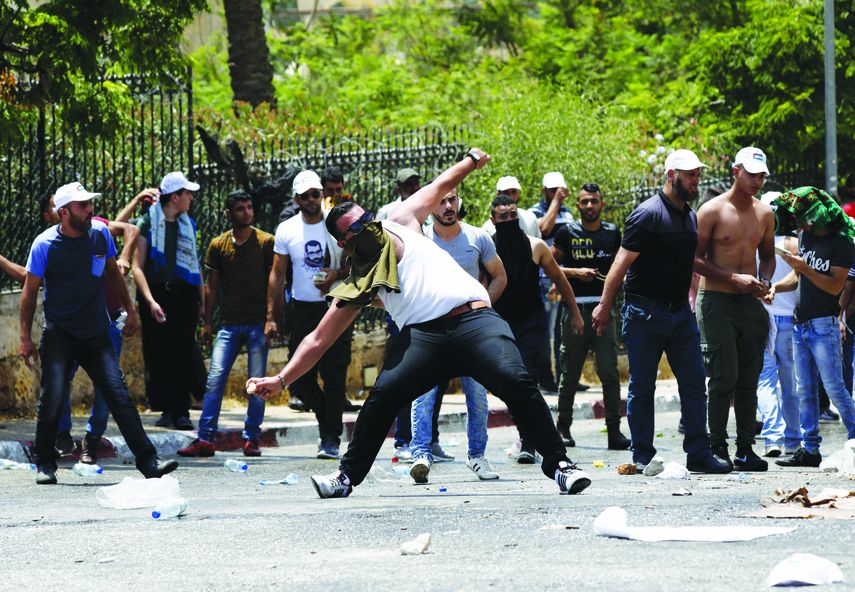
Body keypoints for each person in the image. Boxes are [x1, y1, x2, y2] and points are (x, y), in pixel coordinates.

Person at [248, 148, 591, 499]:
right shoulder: (360, 280)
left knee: (517, 380)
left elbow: (443, 183)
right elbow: (318, 339)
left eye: (367, 220)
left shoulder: (402, 219)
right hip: (424, 338)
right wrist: (280, 379)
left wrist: (472, 160)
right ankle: (346, 477)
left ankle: (560, 465)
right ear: (344, 243)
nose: (369, 230)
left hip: (473, 318)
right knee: (382, 396)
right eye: (356, 230)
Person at [19, 182, 178, 484]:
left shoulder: (100, 235)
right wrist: (25, 338)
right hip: (60, 335)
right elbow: (28, 294)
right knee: (52, 397)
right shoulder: (44, 245)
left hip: (96, 333)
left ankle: (148, 461)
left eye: (90, 203)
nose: (90, 209)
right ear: (64, 212)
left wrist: (130, 310)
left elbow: (111, 273)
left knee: (118, 395)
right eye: (82, 205)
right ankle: (45, 463)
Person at [592, 149, 732, 474]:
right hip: (645, 314)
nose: (696, 180)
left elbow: (690, 262)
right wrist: (604, 304)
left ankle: (698, 453)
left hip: (681, 315)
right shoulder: (647, 214)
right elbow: (620, 263)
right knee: (643, 386)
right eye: (690, 175)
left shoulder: (690, 215)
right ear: (672, 175)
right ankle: (642, 455)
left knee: (696, 383)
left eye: (698, 174)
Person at [408, 189, 507, 483]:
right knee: (423, 393)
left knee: (477, 395)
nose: (448, 206)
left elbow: (499, 276)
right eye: (441, 201)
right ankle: (420, 455)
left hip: (471, 328)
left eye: (452, 200)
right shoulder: (421, 240)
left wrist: (482, 309)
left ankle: (477, 457)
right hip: (431, 327)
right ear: (431, 205)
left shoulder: (478, 238)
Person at [693, 147, 775, 471]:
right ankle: (717, 448)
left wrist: (764, 280)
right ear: (735, 171)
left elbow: (767, 256)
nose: (757, 180)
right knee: (723, 376)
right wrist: (731, 278)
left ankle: (745, 449)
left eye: (762, 175)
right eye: (752, 173)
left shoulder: (765, 213)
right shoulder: (711, 210)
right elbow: (694, 258)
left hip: (750, 302)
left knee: (748, 379)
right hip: (717, 301)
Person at [178, 191, 275, 459]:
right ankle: (205, 438)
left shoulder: (266, 242)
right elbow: (212, 287)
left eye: (249, 207)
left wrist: (271, 318)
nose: (247, 212)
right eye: (241, 209)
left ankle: (251, 438)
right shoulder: (218, 245)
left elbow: (274, 283)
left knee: (256, 384)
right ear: (228, 214)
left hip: (257, 322)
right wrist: (207, 322)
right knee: (214, 380)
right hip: (229, 324)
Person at [490, 194, 585, 463]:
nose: (508, 220)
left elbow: (560, 278)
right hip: (501, 324)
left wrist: (575, 313)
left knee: (528, 378)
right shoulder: (489, 248)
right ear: (493, 219)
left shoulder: (536, 247)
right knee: (511, 384)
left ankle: (530, 442)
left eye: (512, 216)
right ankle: (527, 434)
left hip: (532, 322)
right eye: (503, 217)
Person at [267, 170, 351, 459]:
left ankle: (330, 438)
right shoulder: (287, 229)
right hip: (303, 309)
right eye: (305, 196)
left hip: (336, 305)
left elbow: (362, 264)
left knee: (335, 375)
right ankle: (327, 420)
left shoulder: (337, 223)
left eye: (316, 194)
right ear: (297, 199)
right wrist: (272, 317)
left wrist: (336, 274)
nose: (312, 200)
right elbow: (277, 276)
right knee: (299, 377)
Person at [770, 187, 855, 467]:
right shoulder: (805, 236)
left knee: (834, 388)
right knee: (803, 389)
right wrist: (775, 288)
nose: (802, 223)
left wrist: (805, 268)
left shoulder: (841, 242)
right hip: (800, 323)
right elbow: (799, 275)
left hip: (823, 325)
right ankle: (810, 450)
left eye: (805, 217)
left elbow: (834, 285)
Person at [552, 183, 629, 450]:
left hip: (604, 310)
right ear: (578, 205)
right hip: (574, 311)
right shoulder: (566, 232)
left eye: (594, 201)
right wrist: (576, 272)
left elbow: (623, 265)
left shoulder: (612, 233)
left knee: (610, 372)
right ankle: (563, 428)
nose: (589, 206)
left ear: (602, 205)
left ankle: (614, 431)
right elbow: (550, 266)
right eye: (584, 201)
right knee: (570, 373)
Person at [132, 172, 204, 430]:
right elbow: (137, 267)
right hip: (157, 294)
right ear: (175, 197)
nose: (191, 198)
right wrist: (150, 301)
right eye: (187, 193)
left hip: (184, 295)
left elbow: (195, 264)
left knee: (183, 352)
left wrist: (202, 299)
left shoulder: (188, 224)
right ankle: (166, 409)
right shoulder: (148, 223)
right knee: (159, 353)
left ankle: (181, 410)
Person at [755, 192, 801, 457]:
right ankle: (793, 439)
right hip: (790, 321)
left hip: (764, 319)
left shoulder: (756, 244)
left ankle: (772, 437)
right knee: (791, 384)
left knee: (765, 381)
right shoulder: (794, 244)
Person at [529, 172, 576, 393]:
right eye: (551, 190)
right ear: (544, 190)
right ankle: (546, 379)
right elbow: (543, 229)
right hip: (544, 280)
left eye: (559, 190)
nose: (556, 193)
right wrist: (556, 202)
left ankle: (564, 378)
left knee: (562, 331)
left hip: (564, 277)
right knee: (546, 331)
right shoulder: (534, 212)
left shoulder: (568, 214)